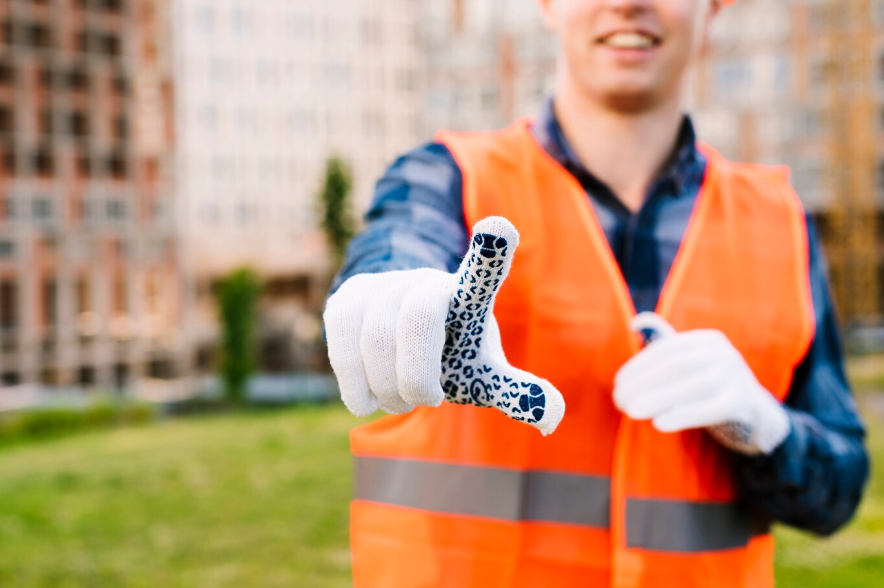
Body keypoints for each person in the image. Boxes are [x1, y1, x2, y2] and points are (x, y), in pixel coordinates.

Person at [323, 0, 870, 586]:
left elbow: (837, 494)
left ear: (715, 8)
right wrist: (398, 293)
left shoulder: (781, 220)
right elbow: (401, 243)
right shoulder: (445, 179)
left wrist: (767, 429)